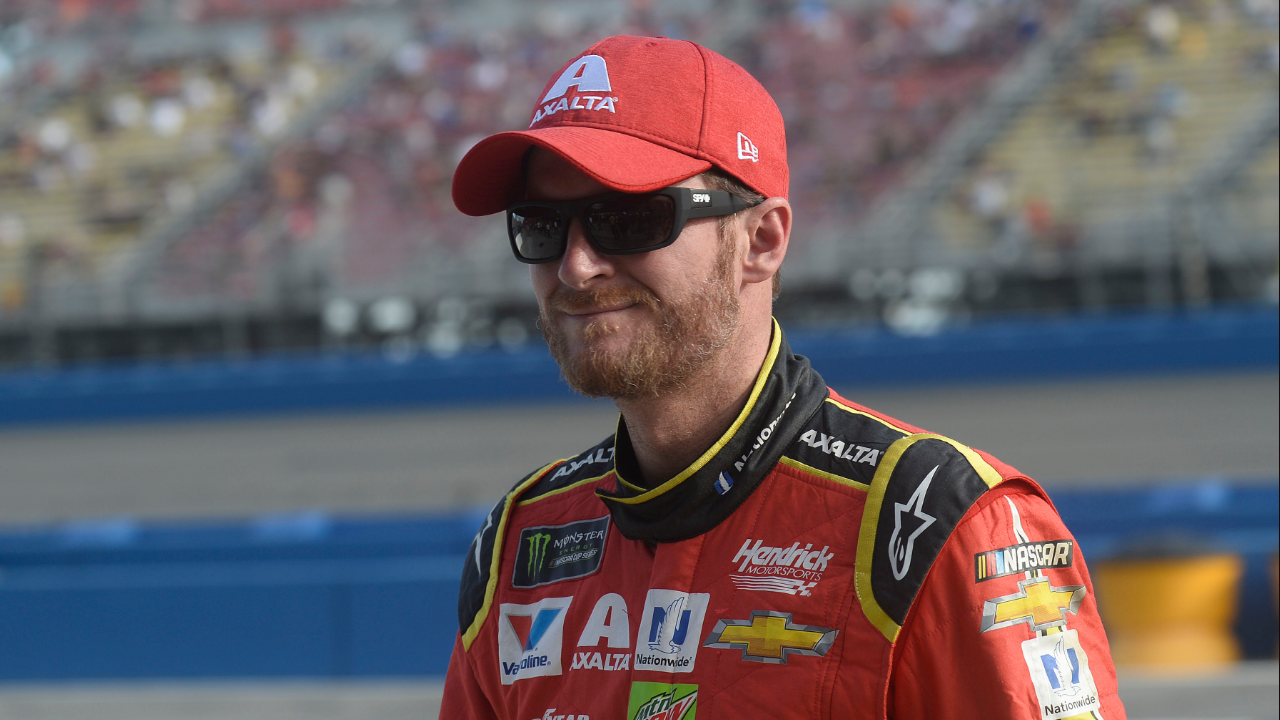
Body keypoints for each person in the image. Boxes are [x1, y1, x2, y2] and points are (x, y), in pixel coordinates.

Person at [442, 35, 1125, 720]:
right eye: (541, 226)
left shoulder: (940, 523)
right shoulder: (518, 545)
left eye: (627, 219)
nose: (575, 267)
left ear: (762, 241)